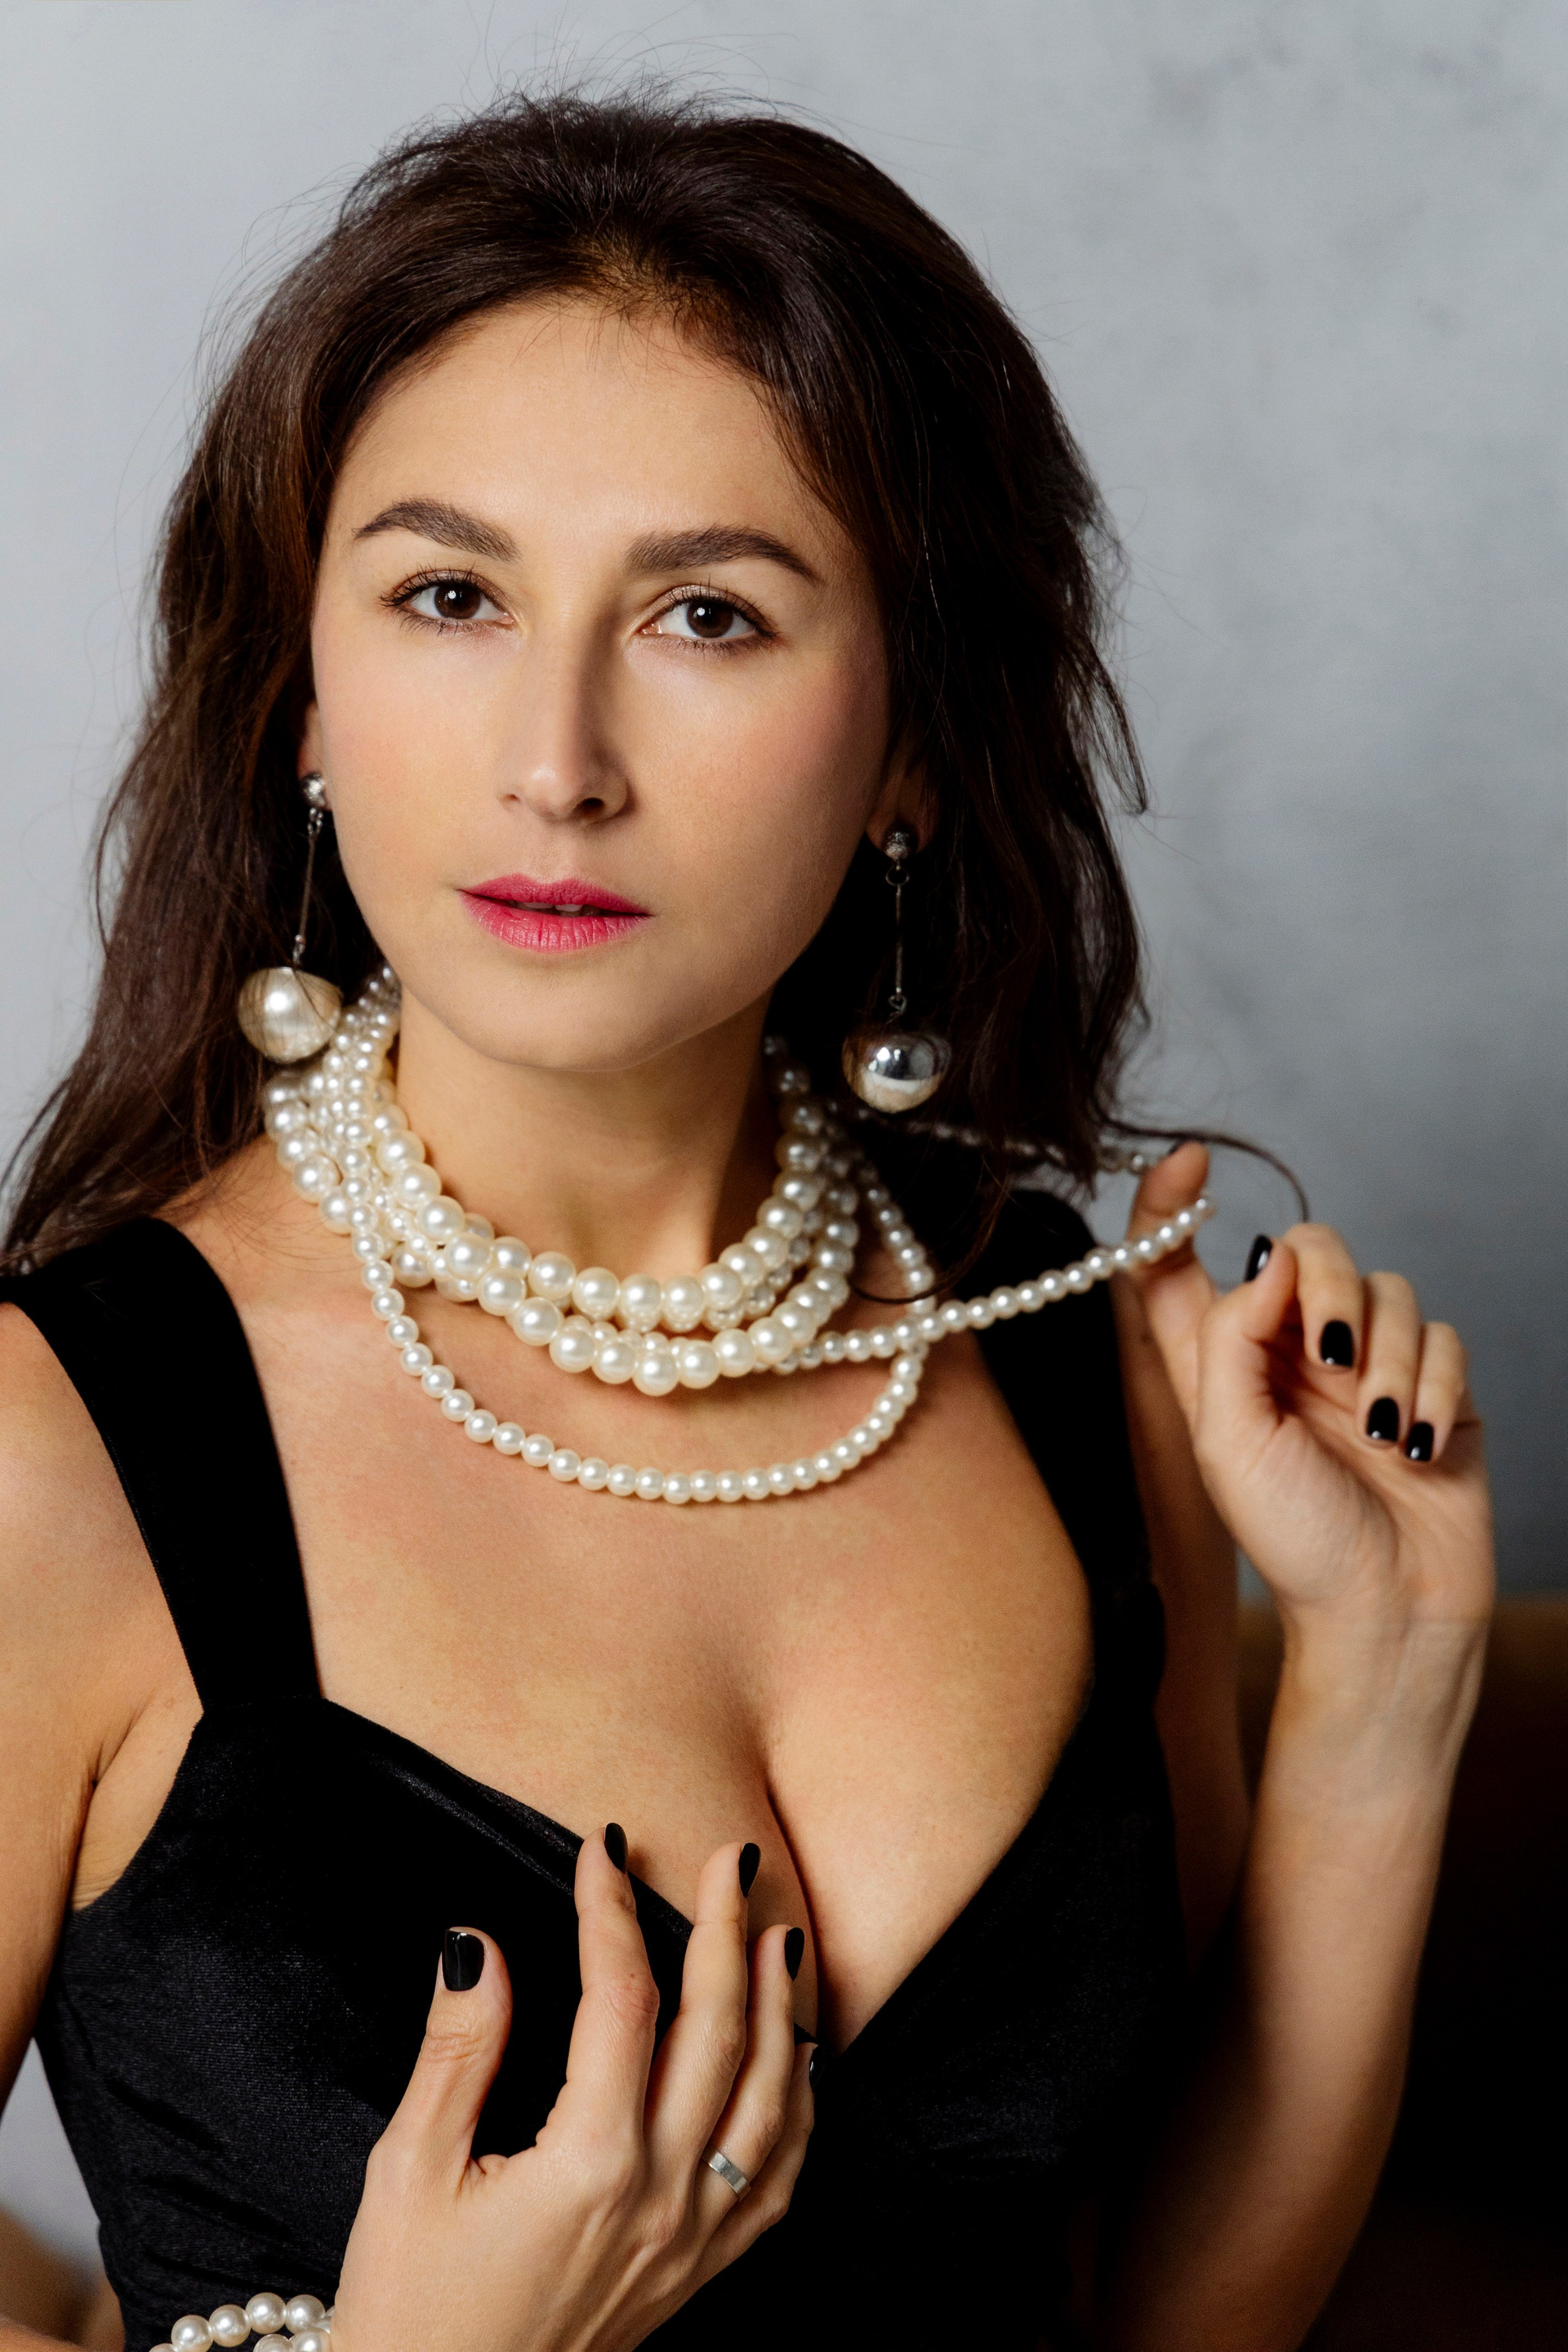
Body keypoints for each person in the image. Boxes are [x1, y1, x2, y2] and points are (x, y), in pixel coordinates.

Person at [0, 87, 1493, 2352]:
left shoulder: (1071, 1349)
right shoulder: (62, 1447)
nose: (556, 760)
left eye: (709, 615)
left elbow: (1161, 2315)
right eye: (447, 596)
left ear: (914, 746)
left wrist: (1387, 1686)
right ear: (303, 695)